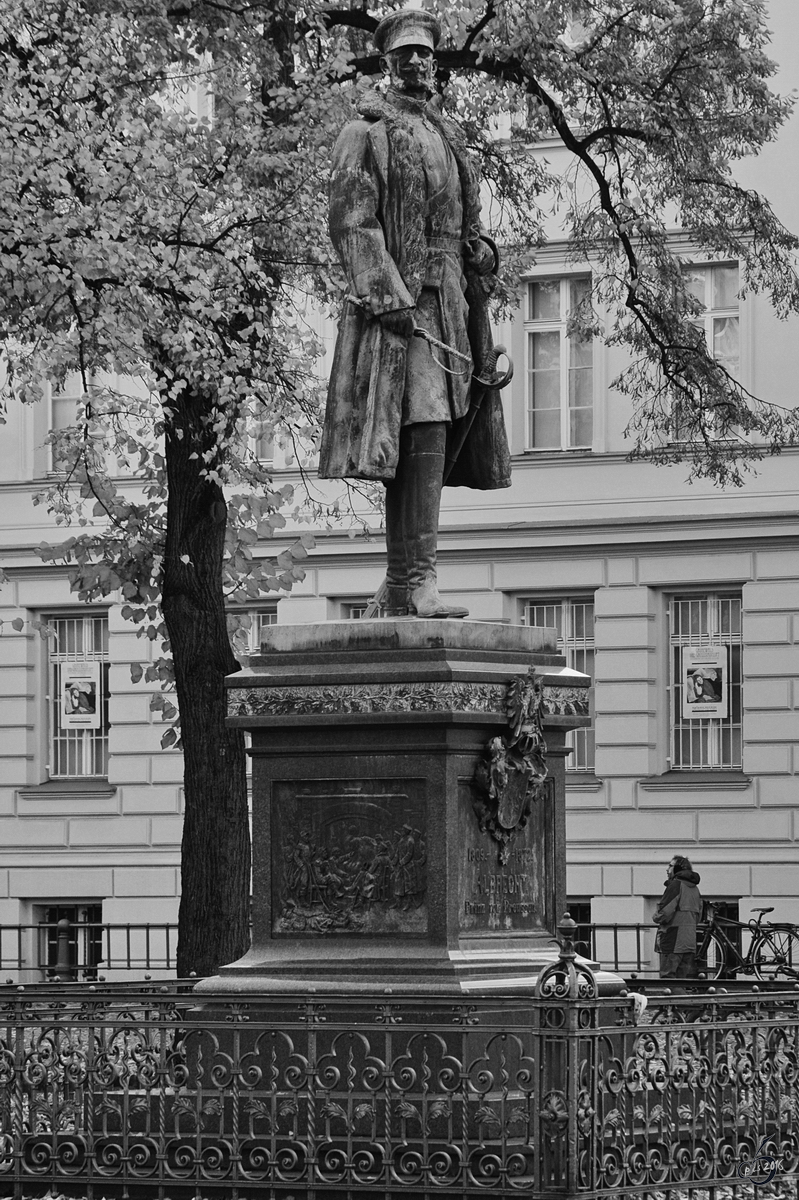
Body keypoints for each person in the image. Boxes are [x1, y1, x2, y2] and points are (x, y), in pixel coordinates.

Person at [318, 6, 511, 618]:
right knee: (422, 424)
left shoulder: (448, 135)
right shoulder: (366, 131)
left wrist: (481, 251)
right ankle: (416, 577)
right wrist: (389, 297)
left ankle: (400, 579)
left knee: (435, 428)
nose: (419, 62)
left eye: (427, 52)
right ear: (388, 61)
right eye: (407, 53)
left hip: (451, 307)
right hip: (404, 312)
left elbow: (462, 224)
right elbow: (352, 222)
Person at [653, 854, 703, 978]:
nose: (667, 869)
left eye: (670, 866)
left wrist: (655, 917)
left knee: (668, 979)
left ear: (678, 869)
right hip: (689, 942)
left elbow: (665, 913)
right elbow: (699, 916)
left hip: (673, 940)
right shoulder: (695, 889)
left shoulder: (676, 885)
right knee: (681, 981)